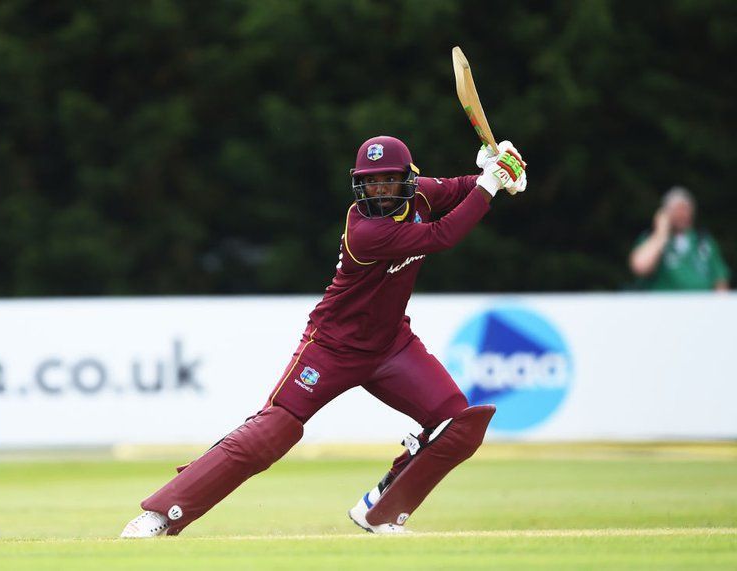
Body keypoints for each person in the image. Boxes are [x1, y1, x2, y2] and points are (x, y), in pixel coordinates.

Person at [120, 135, 528, 537]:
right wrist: (490, 185)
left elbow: (457, 189)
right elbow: (443, 235)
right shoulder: (366, 231)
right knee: (272, 431)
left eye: (388, 181)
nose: (380, 191)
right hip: (331, 346)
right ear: (358, 185)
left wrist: (489, 169)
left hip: (392, 345)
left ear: (408, 178)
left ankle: (380, 510)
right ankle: (162, 515)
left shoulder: (419, 194)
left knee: (458, 424)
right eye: (370, 182)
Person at [630, 186, 730, 291]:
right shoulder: (653, 238)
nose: (681, 214)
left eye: (685, 209)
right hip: (664, 304)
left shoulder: (703, 240)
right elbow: (640, 267)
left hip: (702, 304)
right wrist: (661, 233)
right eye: (676, 210)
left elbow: (720, 279)